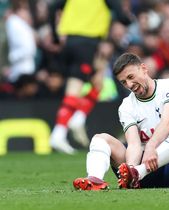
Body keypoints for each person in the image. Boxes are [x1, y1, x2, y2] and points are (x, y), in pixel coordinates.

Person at [73, 53, 169, 190]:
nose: (129, 85)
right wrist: (131, 169)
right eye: (124, 82)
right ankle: (95, 180)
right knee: (100, 139)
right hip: (146, 168)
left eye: (130, 77)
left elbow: (168, 122)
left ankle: (138, 173)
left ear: (144, 69)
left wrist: (151, 147)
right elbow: (133, 143)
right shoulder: (127, 105)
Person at [48, 0, 132, 154]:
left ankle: (78, 119)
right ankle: (58, 133)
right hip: (88, 42)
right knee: (75, 87)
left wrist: (54, 35)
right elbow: (121, 16)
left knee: (98, 83)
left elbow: (52, 7)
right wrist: (129, 18)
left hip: (70, 41)